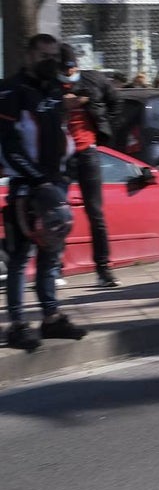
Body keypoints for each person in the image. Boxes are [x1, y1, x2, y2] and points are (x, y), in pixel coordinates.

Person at [0, 33, 88, 350]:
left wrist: (65, 172)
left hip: (56, 184)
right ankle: (16, 325)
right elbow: (8, 147)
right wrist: (38, 180)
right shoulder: (11, 91)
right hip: (28, 187)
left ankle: (51, 319)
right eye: (43, 55)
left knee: (51, 255)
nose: (49, 61)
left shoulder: (53, 89)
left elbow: (59, 131)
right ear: (28, 55)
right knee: (21, 257)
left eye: (53, 55)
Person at [58, 43, 121, 288]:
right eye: (65, 69)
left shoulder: (92, 81)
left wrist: (104, 128)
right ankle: (55, 268)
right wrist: (62, 104)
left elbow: (115, 100)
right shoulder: (51, 87)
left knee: (96, 213)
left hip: (87, 152)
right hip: (61, 156)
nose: (69, 73)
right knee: (59, 213)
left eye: (72, 68)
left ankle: (103, 268)